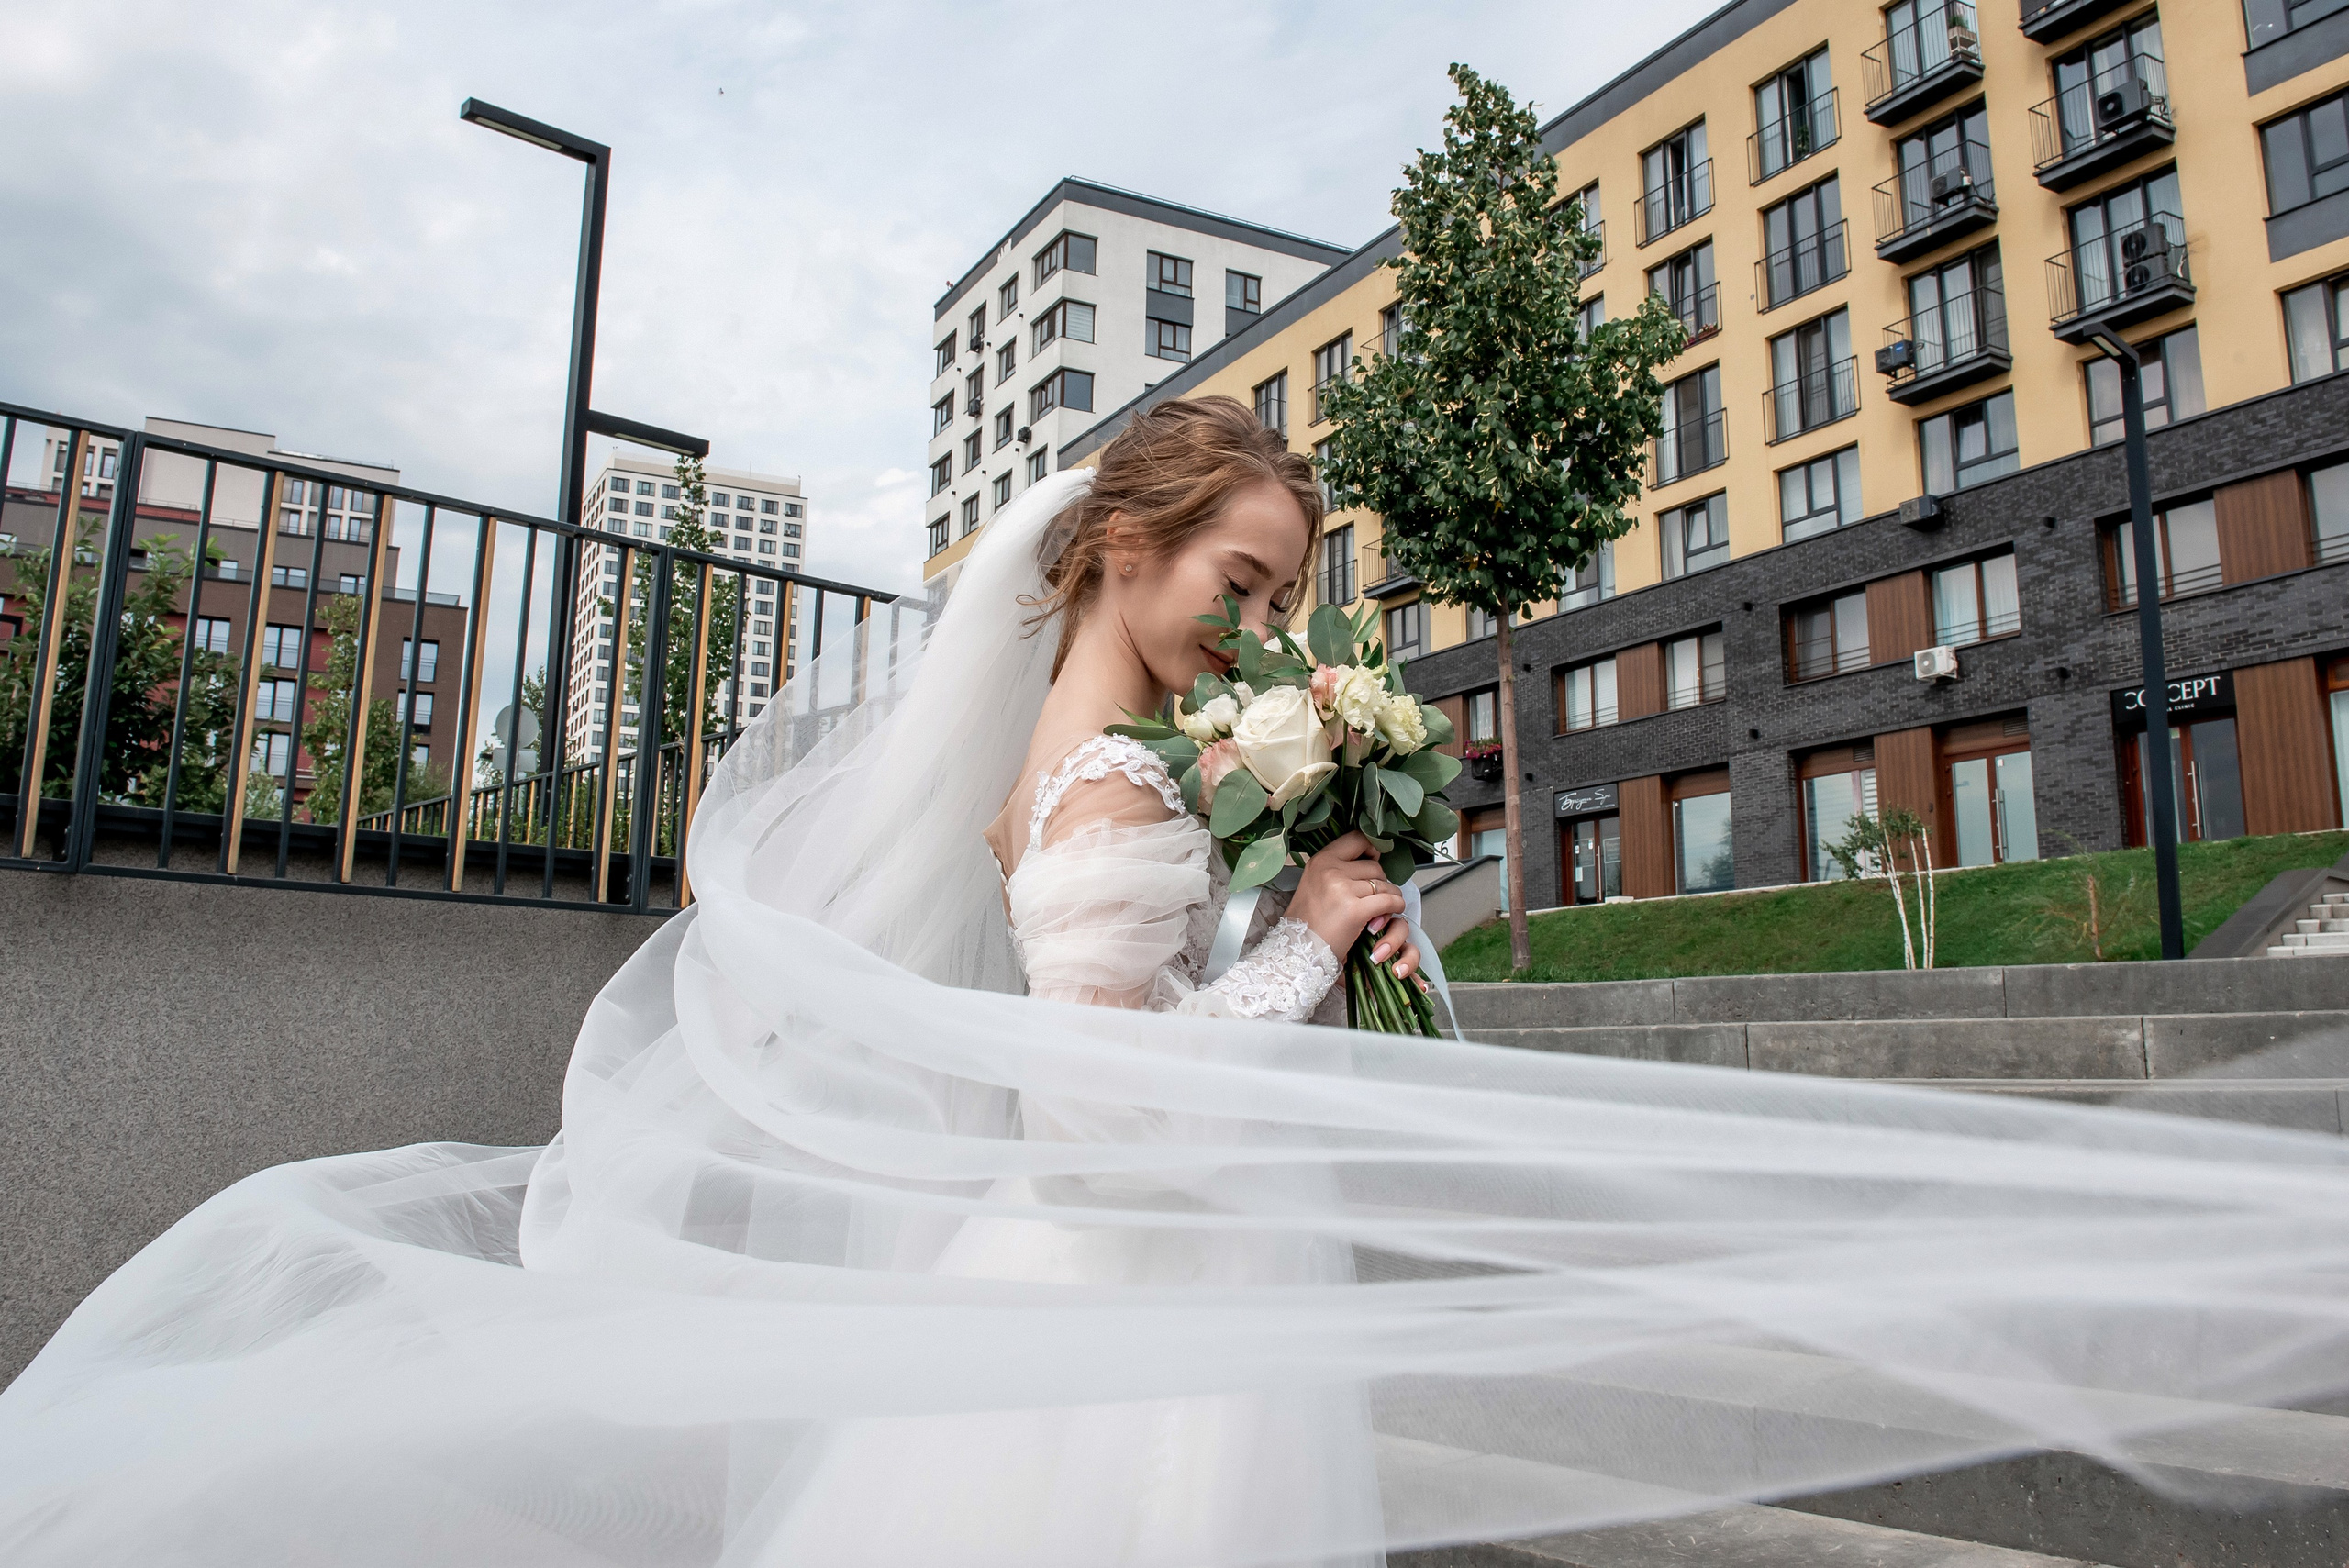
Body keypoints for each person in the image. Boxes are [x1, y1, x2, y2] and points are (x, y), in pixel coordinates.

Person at [2, 396, 2346, 1568]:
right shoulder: (1119, 787)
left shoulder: (1110, 752)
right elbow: (1099, 1120)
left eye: (1283, 589)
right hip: (1109, 1305)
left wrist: (1317, 899)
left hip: (1112, 1290)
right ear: (1115, 553)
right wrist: (1315, 955)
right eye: (1237, 578)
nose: (1267, 620)